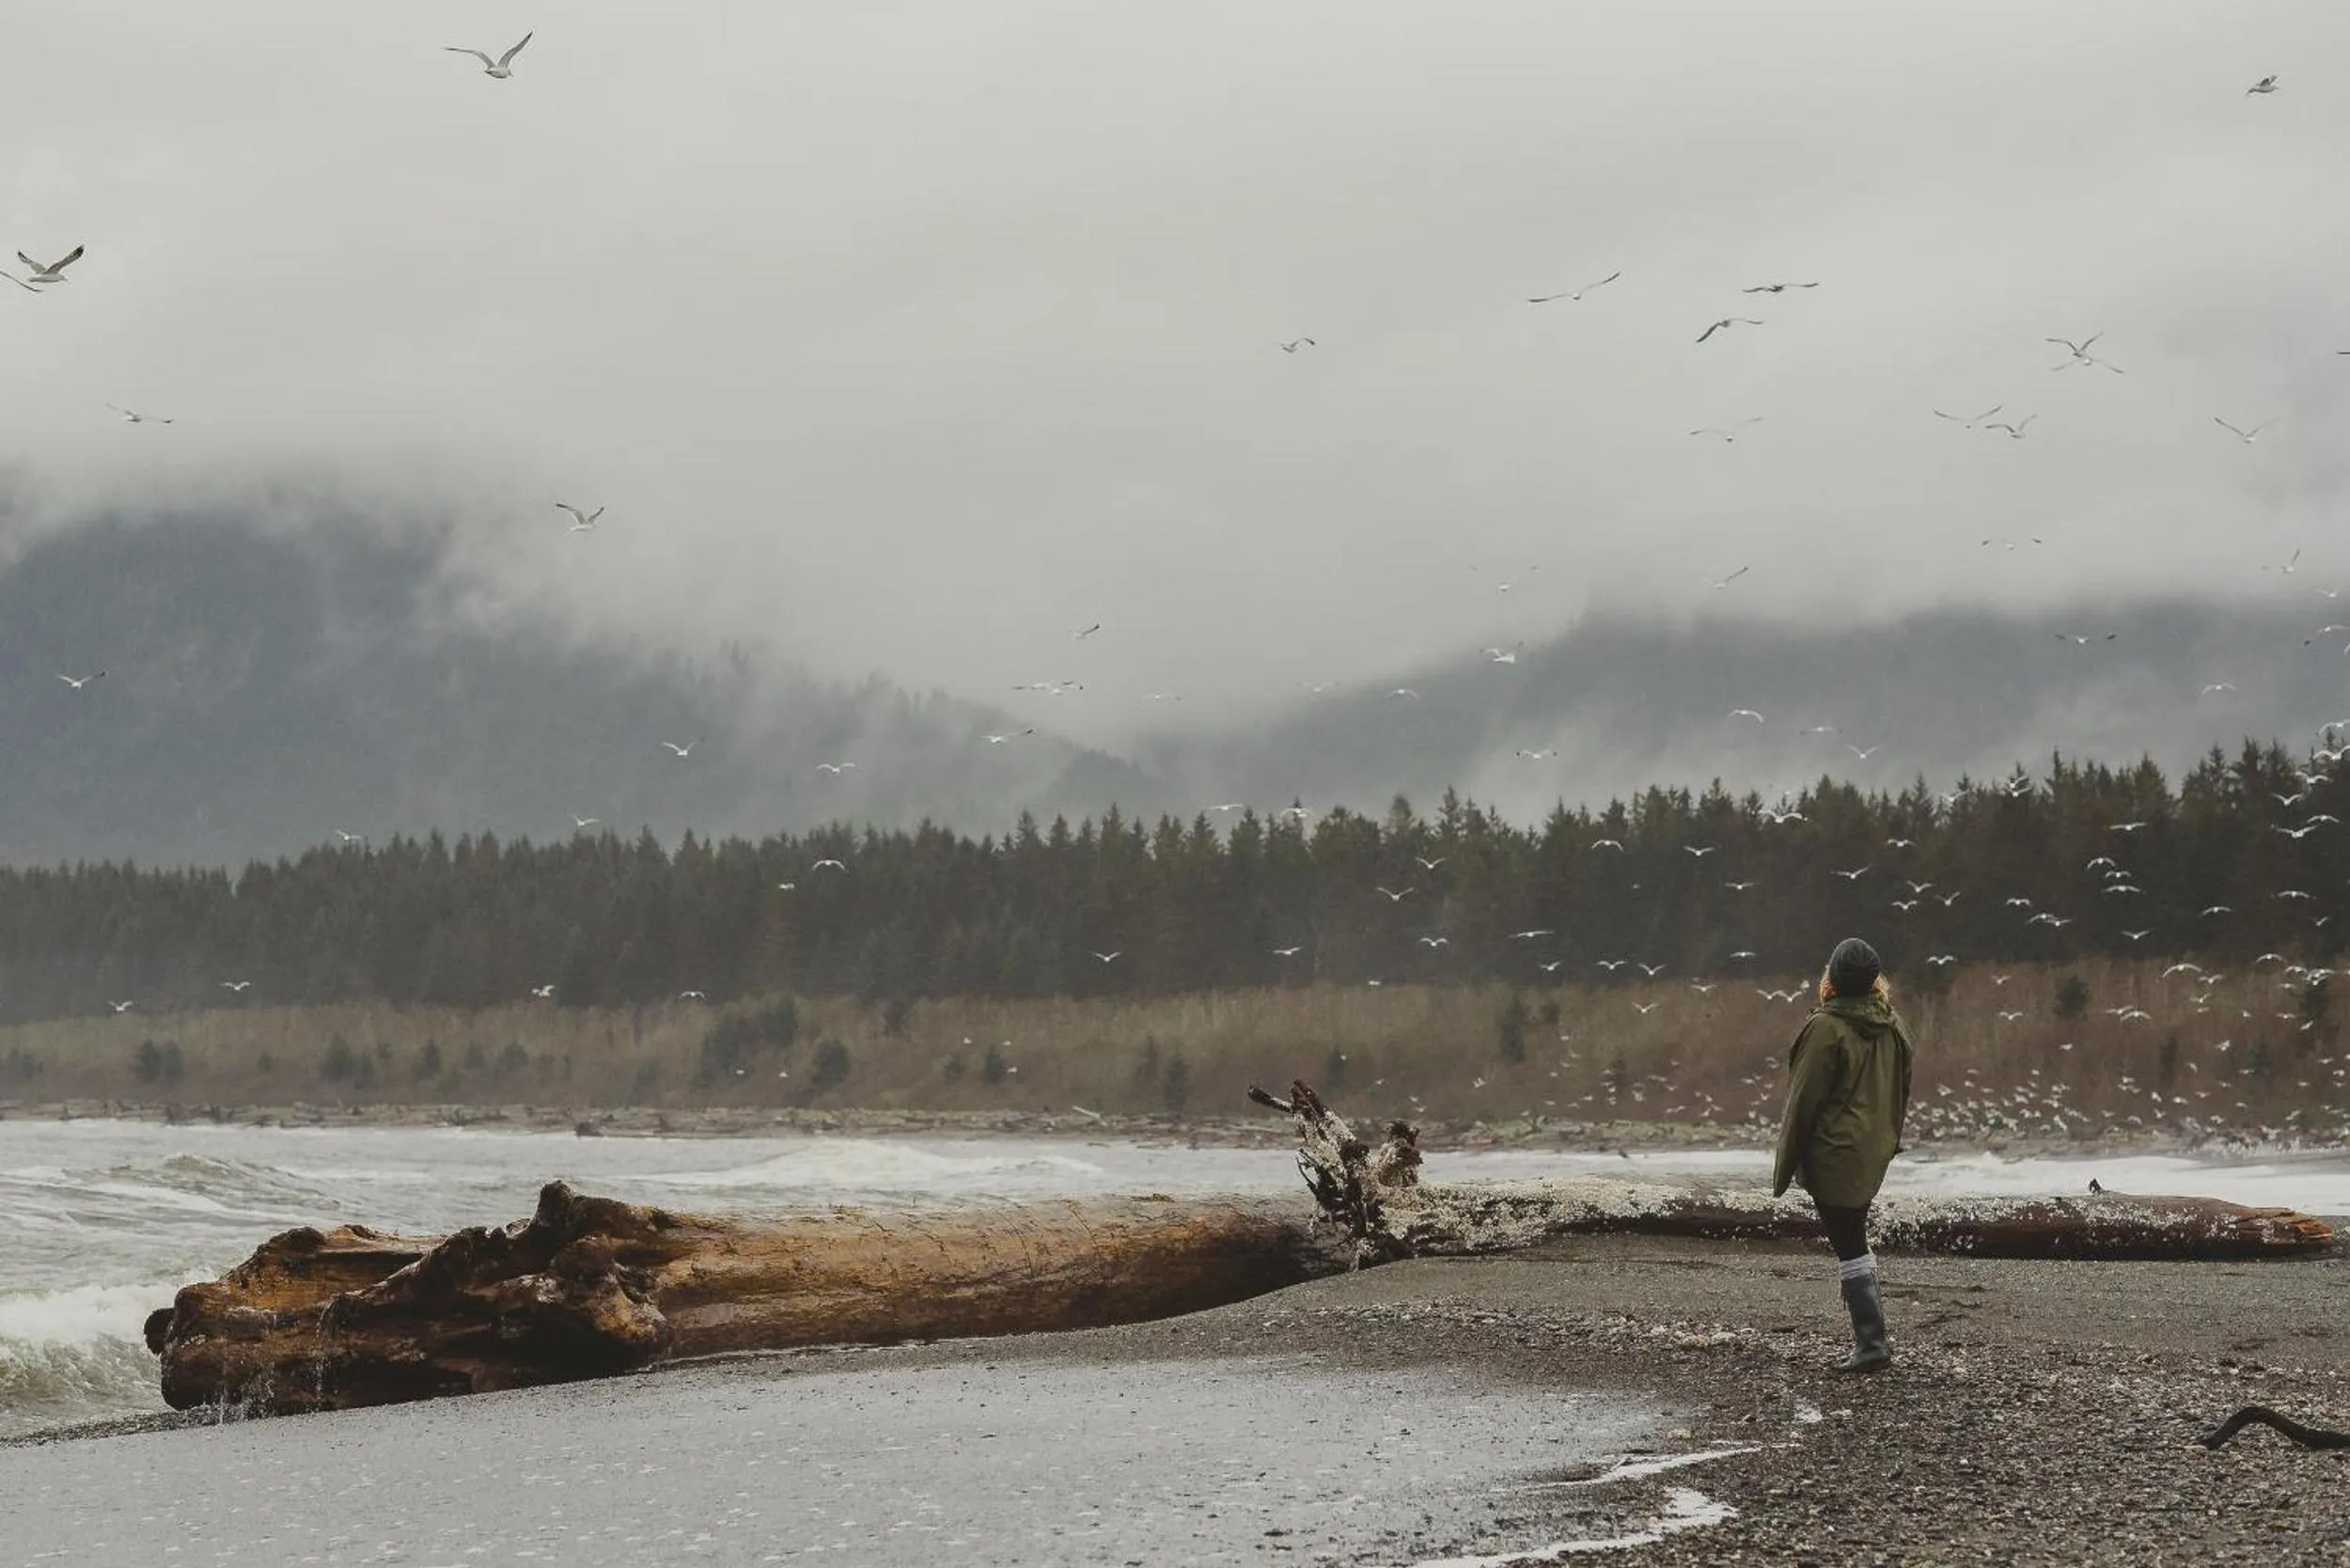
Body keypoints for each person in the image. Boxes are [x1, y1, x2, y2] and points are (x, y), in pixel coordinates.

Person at [1771, 936, 1915, 1373]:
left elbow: (1802, 1101)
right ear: (1875, 982)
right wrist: (1888, 1142)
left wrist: (1784, 1170)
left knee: (1849, 1242)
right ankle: (1870, 1341)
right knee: (1852, 1237)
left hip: (1835, 1154)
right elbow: (1901, 1092)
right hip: (1872, 1151)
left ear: (1831, 978)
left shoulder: (1825, 1028)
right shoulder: (1894, 1026)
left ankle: (1871, 1344)